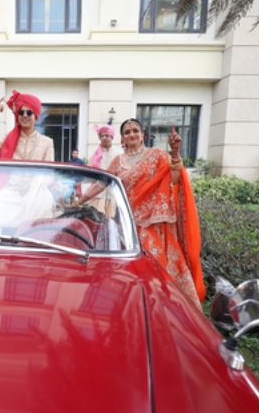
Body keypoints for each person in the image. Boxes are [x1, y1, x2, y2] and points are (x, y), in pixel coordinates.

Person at [76, 119, 204, 305]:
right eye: (127, 132)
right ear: (122, 139)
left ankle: (164, 308)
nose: (132, 134)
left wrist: (175, 152)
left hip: (154, 224)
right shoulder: (118, 162)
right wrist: (79, 201)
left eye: (135, 130)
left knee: (156, 269)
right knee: (129, 272)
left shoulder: (158, 156)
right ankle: (134, 306)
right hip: (127, 225)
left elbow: (174, 179)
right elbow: (100, 184)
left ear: (142, 134)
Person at [0, 91, 54, 161]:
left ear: (36, 116)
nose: (25, 115)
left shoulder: (47, 143)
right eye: (21, 112)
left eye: (29, 112)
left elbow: (48, 172)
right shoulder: (8, 139)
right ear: (17, 116)